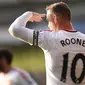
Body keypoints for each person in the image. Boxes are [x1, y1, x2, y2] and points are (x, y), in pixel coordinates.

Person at [8, 2, 85, 85]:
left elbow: (14, 29)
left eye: (48, 21)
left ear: (55, 18)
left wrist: (28, 14)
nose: (48, 25)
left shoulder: (50, 38)